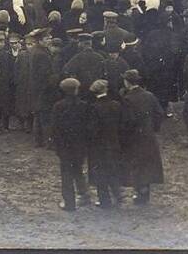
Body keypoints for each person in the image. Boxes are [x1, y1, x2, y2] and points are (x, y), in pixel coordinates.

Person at [120, 69, 164, 205]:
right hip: (148, 135)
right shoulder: (149, 95)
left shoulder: (127, 99)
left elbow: (126, 121)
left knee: (137, 164)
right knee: (148, 164)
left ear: (127, 82)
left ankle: (140, 193)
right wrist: (153, 128)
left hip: (134, 137)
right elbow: (159, 113)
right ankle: (145, 193)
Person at [51, 77, 93, 211]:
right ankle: (84, 195)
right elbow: (88, 127)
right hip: (80, 145)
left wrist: (56, 145)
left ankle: (69, 203)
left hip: (65, 146)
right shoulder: (84, 105)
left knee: (66, 174)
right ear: (76, 90)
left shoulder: (58, 106)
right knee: (78, 170)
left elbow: (55, 128)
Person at [88, 79, 123, 208]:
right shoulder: (115, 105)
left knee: (100, 173)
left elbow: (92, 129)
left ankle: (105, 201)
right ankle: (118, 195)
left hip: (99, 145)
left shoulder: (94, 107)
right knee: (113, 170)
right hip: (114, 142)